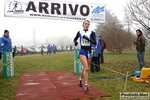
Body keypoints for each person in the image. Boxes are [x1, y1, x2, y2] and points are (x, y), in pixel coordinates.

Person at [73, 20, 96, 92]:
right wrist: (75, 42)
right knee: (86, 68)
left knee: (85, 68)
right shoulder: (79, 32)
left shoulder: (92, 33)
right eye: (85, 24)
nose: (87, 25)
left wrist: (88, 39)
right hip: (82, 51)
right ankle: (86, 85)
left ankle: (80, 79)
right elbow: (75, 39)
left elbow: (94, 42)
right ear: (82, 25)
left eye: (88, 24)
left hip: (89, 51)